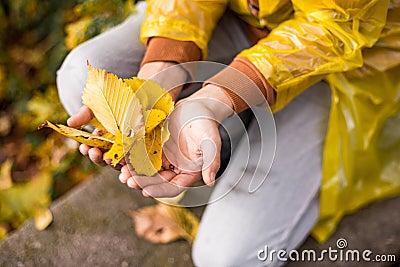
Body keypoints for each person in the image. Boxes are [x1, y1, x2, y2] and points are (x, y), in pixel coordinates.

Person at [57, 0, 400, 266]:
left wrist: (218, 97)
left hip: (340, 71)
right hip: (236, 19)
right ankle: (226, 134)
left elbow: (333, 29)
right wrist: (164, 63)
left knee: (226, 258)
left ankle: (250, 138)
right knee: (81, 77)